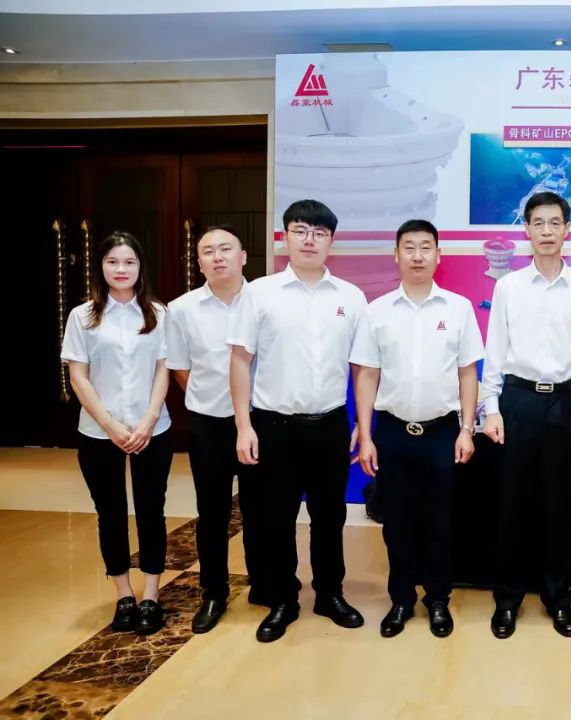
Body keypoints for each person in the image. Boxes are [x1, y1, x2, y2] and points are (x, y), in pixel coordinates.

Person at [228, 199, 367, 643]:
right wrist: (243, 425)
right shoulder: (259, 293)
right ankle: (282, 599)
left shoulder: (350, 297)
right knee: (276, 517)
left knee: (330, 516)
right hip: (274, 426)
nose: (310, 240)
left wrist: (362, 425)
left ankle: (330, 594)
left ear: (331, 242)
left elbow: (363, 368)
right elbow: (240, 360)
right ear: (284, 237)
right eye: (301, 230)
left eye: (319, 233)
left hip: (329, 425)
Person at [350, 219, 484, 639]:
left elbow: (467, 373)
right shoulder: (377, 311)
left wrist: (466, 429)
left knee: (440, 521)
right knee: (397, 522)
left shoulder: (458, 308)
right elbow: (367, 375)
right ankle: (401, 599)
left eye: (426, 247)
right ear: (396, 255)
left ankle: (438, 599)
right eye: (409, 247)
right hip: (392, 432)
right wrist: (366, 434)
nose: (418, 256)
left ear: (439, 255)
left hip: (443, 431)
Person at [482, 191, 571, 640]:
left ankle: (558, 598)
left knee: (559, 505)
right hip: (517, 401)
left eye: (555, 223)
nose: (547, 231)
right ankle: (507, 600)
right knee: (511, 505)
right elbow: (494, 353)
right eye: (539, 223)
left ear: (567, 230)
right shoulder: (509, 287)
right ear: (527, 230)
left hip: (563, 404)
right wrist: (491, 407)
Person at [61, 231, 172, 636]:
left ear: (141, 267)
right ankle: (124, 594)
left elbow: (163, 368)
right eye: (112, 261)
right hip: (97, 431)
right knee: (109, 513)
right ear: (101, 267)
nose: (121, 269)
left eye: (129, 262)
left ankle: (151, 595)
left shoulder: (159, 314)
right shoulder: (83, 316)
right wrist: (109, 424)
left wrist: (148, 420)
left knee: (151, 510)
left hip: (151, 430)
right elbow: (78, 375)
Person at [166, 225, 267, 633]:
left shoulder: (265, 302)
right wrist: (210, 401)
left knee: (261, 508)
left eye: (226, 249)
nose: (218, 257)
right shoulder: (182, 309)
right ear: (199, 261)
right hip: (209, 424)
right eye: (208, 251)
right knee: (212, 512)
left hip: (260, 422)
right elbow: (179, 368)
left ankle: (264, 582)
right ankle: (213, 592)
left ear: (243, 257)